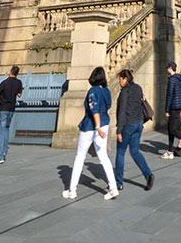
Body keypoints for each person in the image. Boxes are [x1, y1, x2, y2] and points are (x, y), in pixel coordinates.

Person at [62, 66, 119, 200]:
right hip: (104, 124)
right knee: (104, 157)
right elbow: (108, 106)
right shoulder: (106, 91)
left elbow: (94, 109)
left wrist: (97, 126)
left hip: (91, 126)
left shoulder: (93, 91)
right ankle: (113, 187)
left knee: (80, 156)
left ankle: (72, 190)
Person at [114, 69, 155, 192]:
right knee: (135, 151)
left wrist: (119, 131)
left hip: (128, 125)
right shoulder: (138, 88)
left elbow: (122, 113)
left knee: (120, 152)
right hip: (138, 124)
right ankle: (148, 175)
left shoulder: (124, 92)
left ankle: (119, 183)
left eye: (120, 79)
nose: (119, 82)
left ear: (125, 79)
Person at [0, 65, 23, 165]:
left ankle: (0, 156)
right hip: (11, 108)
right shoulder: (19, 82)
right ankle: (4, 151)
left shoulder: (4, 82)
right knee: (6, 129)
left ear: (10, 71)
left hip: (3, 108)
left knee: (1, 132)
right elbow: (19, 94)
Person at [162, 61, 181, 159]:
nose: (166, 70)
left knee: (173, 130)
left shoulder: (171, 80)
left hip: (173, 108)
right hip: (179, 107)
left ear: (170, 68)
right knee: (170, 130)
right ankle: (170, 151)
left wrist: (166, 110)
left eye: (167, 68)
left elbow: (169, 95)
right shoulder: (179, 79)